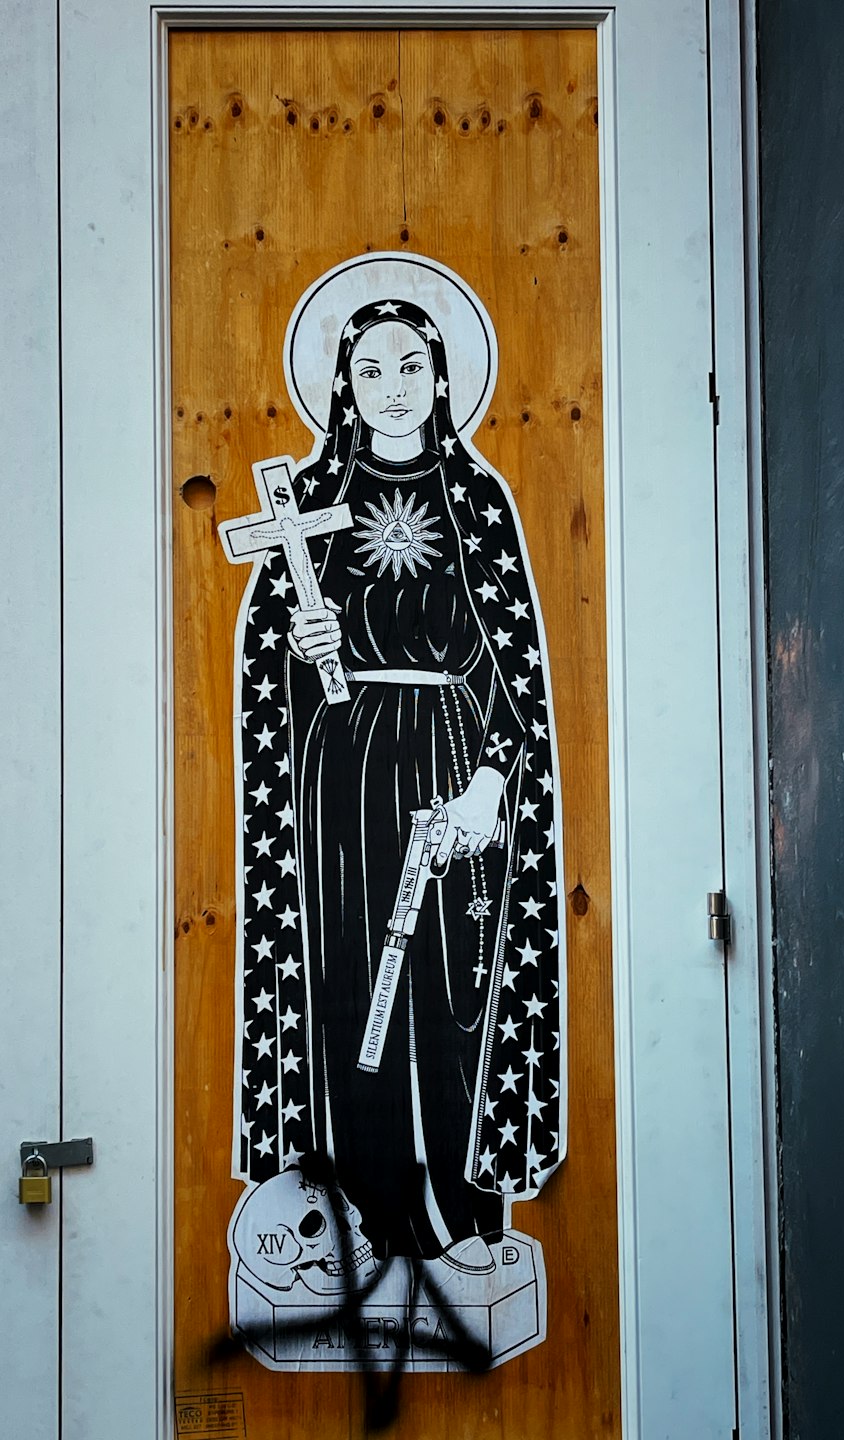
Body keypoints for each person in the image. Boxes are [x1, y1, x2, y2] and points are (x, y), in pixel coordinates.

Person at [232, 295, 564, 1274]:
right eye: (370, 370)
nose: (391, 388)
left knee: (449, 988)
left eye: (409, 366)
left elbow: (514, 665)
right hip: (340, 783)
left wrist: (492, 784)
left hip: (451, 772)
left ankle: (457, 1216)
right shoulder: (311, 501)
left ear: (442, 375)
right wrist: (300, 646)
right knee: (349, 991)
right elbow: (266, 659)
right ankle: (370, 1221)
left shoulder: (476, 501)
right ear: (342, 383)